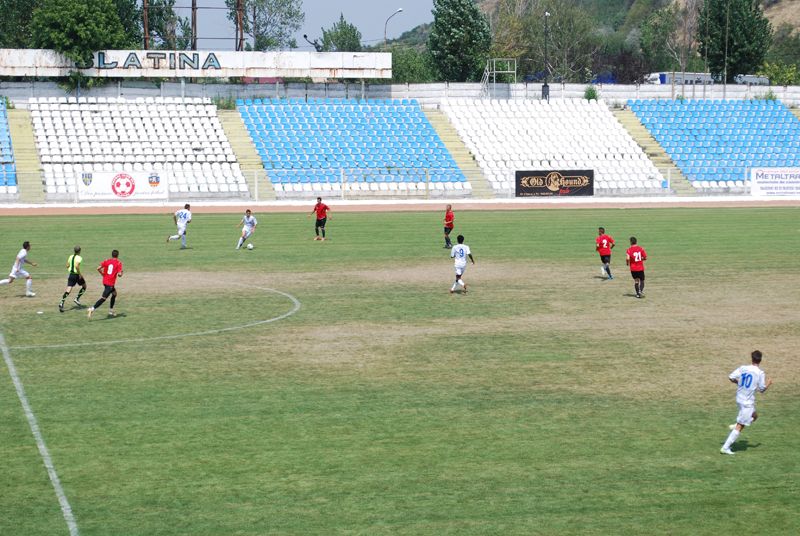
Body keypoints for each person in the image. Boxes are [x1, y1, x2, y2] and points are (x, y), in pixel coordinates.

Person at [720, 350, 773, 455]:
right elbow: (762, 390)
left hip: (739, 398)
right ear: (760, 360)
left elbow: (731, 377)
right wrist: (769, 383)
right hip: (747, 403)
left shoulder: (743, 368)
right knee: (741, 426)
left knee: (755, 415)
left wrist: (738, 382)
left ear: (752, 358)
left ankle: (737, 423)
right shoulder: (760, 373)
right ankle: (725, 448)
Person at [87, 250, 123, 319]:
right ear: (117, 255)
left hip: (105, 281)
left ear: (112, 255)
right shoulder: (118, 263)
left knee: (114, 294)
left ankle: (111, 310)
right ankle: (92, 309)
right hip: (110, 283)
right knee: (103, 298)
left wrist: (103, 274)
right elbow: (120, 275)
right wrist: (122, 273)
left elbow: (98, 268)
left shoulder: (107, 261)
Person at [59, 245, 87, 312]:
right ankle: (77, 299)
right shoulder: (79, 258)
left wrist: (70, 269)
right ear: (79, 251)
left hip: (71, 275)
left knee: (68, 290)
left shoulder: (70, 256)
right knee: (84, 286)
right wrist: (80, 274)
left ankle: (61, 303)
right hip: (77, 275)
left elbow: (67, 265)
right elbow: (77, 266)